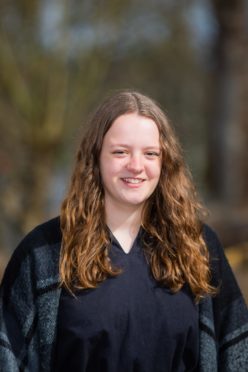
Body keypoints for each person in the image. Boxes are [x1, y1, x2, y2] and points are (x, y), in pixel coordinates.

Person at [0, 90, 247, 372]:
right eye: (121, 152)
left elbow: (238, 355)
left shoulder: (198, 247)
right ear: (95, 157)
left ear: (165, 162)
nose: (136, 166)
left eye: (150, 153)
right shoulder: (43, 252)